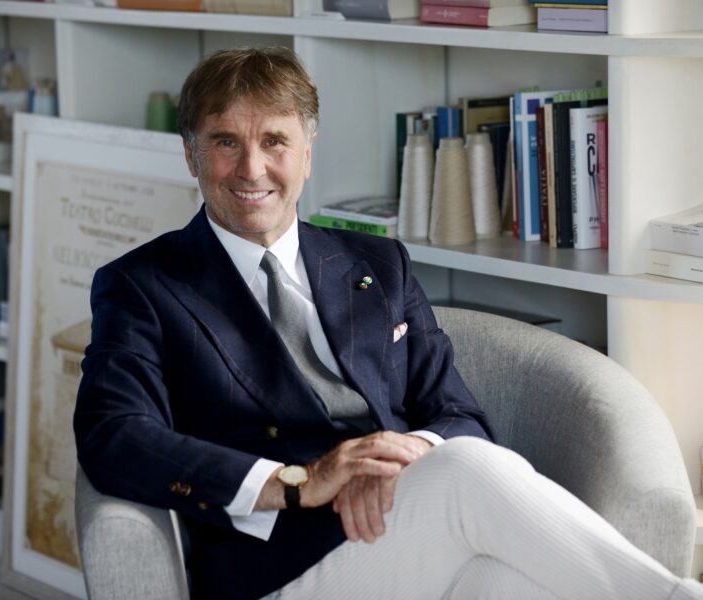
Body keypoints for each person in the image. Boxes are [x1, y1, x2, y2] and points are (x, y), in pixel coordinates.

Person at [73, 47, 702, 600]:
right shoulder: (142, 286)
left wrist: (398, 460)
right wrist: (300, 482)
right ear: (191, 154)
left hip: (403, 524)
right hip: (278, 565)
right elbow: (114, 436)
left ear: (307, 154)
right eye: (226, 142)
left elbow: (458, 415)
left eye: (275, 142)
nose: (252, 169)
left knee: (511, 578)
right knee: (467, 471)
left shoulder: (377, 263)